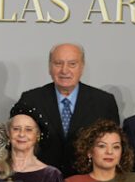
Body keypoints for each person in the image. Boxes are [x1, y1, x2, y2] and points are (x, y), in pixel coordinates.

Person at [10, 43, 120, 173]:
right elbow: (16, 144)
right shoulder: (31, 100)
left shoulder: (103, 102)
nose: (64, 70)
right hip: (41, 180)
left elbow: (113, 145)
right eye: (58, 63)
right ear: (50, 67)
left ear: (82, 67)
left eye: (72, 64)